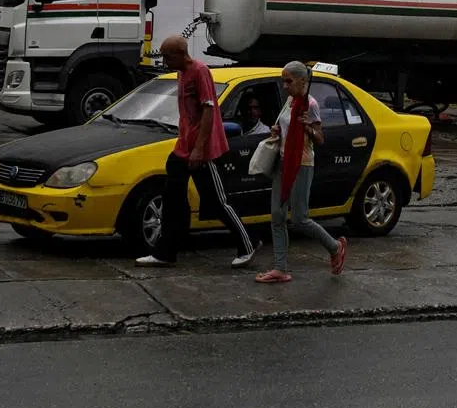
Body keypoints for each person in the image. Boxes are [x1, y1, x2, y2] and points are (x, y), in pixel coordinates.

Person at [136, 35, 257, 268]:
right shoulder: (181, 73)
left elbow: (209, 110)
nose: (165, 61)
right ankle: (165, 252)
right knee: (173, 200)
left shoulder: (200, 71)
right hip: (183, 147)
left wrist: (199, 149)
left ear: (182, 54)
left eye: (168, 56)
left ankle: (248, 244)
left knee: (216, 201)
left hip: (201, 150)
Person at [255, 61, 347, 283]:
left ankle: (335, 247)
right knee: (277, 216)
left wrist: (308, 127)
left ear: (302, 81)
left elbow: (320, 138)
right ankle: (280, 268)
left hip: (302, 163)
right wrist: (277, 130)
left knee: (299, 219)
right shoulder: (289, 101)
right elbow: (284, 126)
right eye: (283, 81)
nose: (285, 86)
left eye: (289, 81)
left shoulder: (310, 104)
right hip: (283, 162)